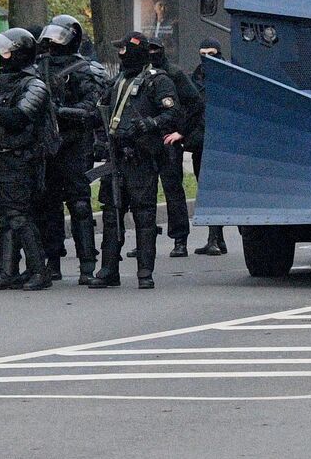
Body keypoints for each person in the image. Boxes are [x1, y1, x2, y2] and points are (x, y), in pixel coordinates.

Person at [0, 28, 58, 291]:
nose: (1, 57)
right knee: (6, 217)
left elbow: (19, 118)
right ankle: (8, 271)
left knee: (19, 216)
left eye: (6, 53)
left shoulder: (34, 85)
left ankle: (39, 271)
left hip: (21, 159)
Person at [90, 32, 181, 288]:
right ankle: (109, 269)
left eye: (124, 50)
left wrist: (149, 124)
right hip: (116, 156)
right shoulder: (118, 81)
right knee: (111, 213)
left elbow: (173, 113)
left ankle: (145, 272)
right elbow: (101, 111)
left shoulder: (157, 81)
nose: (120, 55)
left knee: (144, 215)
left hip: (141, 157)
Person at [36, 14, 105, 283]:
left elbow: (93, 110)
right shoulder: (39, 67)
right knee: (48, 205)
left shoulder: (84, 70)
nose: (54, 43)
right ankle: (52, 262)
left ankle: (87, 266)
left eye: (59, 38)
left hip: (75, 144)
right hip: (47, 145)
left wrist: (60, 111)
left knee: (79, 205)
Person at [147, 39, 200, 258]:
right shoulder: (140, 74)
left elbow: (195, 103)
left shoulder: (174, 74)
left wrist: (182, 132)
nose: (151, 53)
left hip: (168, 139)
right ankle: (145, 239)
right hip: (145, 138)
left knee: (173, 190)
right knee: (144, 192)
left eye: (155, 50)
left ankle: (180, 239)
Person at [191, 39, 226, 255]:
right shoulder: (196, 77)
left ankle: (214, 238)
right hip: (201, 141)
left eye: (211, 54)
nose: (206, 58)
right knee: (204, 187)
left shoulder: (228, 77)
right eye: (203, 54)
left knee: (214, 190)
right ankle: (217, 239)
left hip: (220, 142)